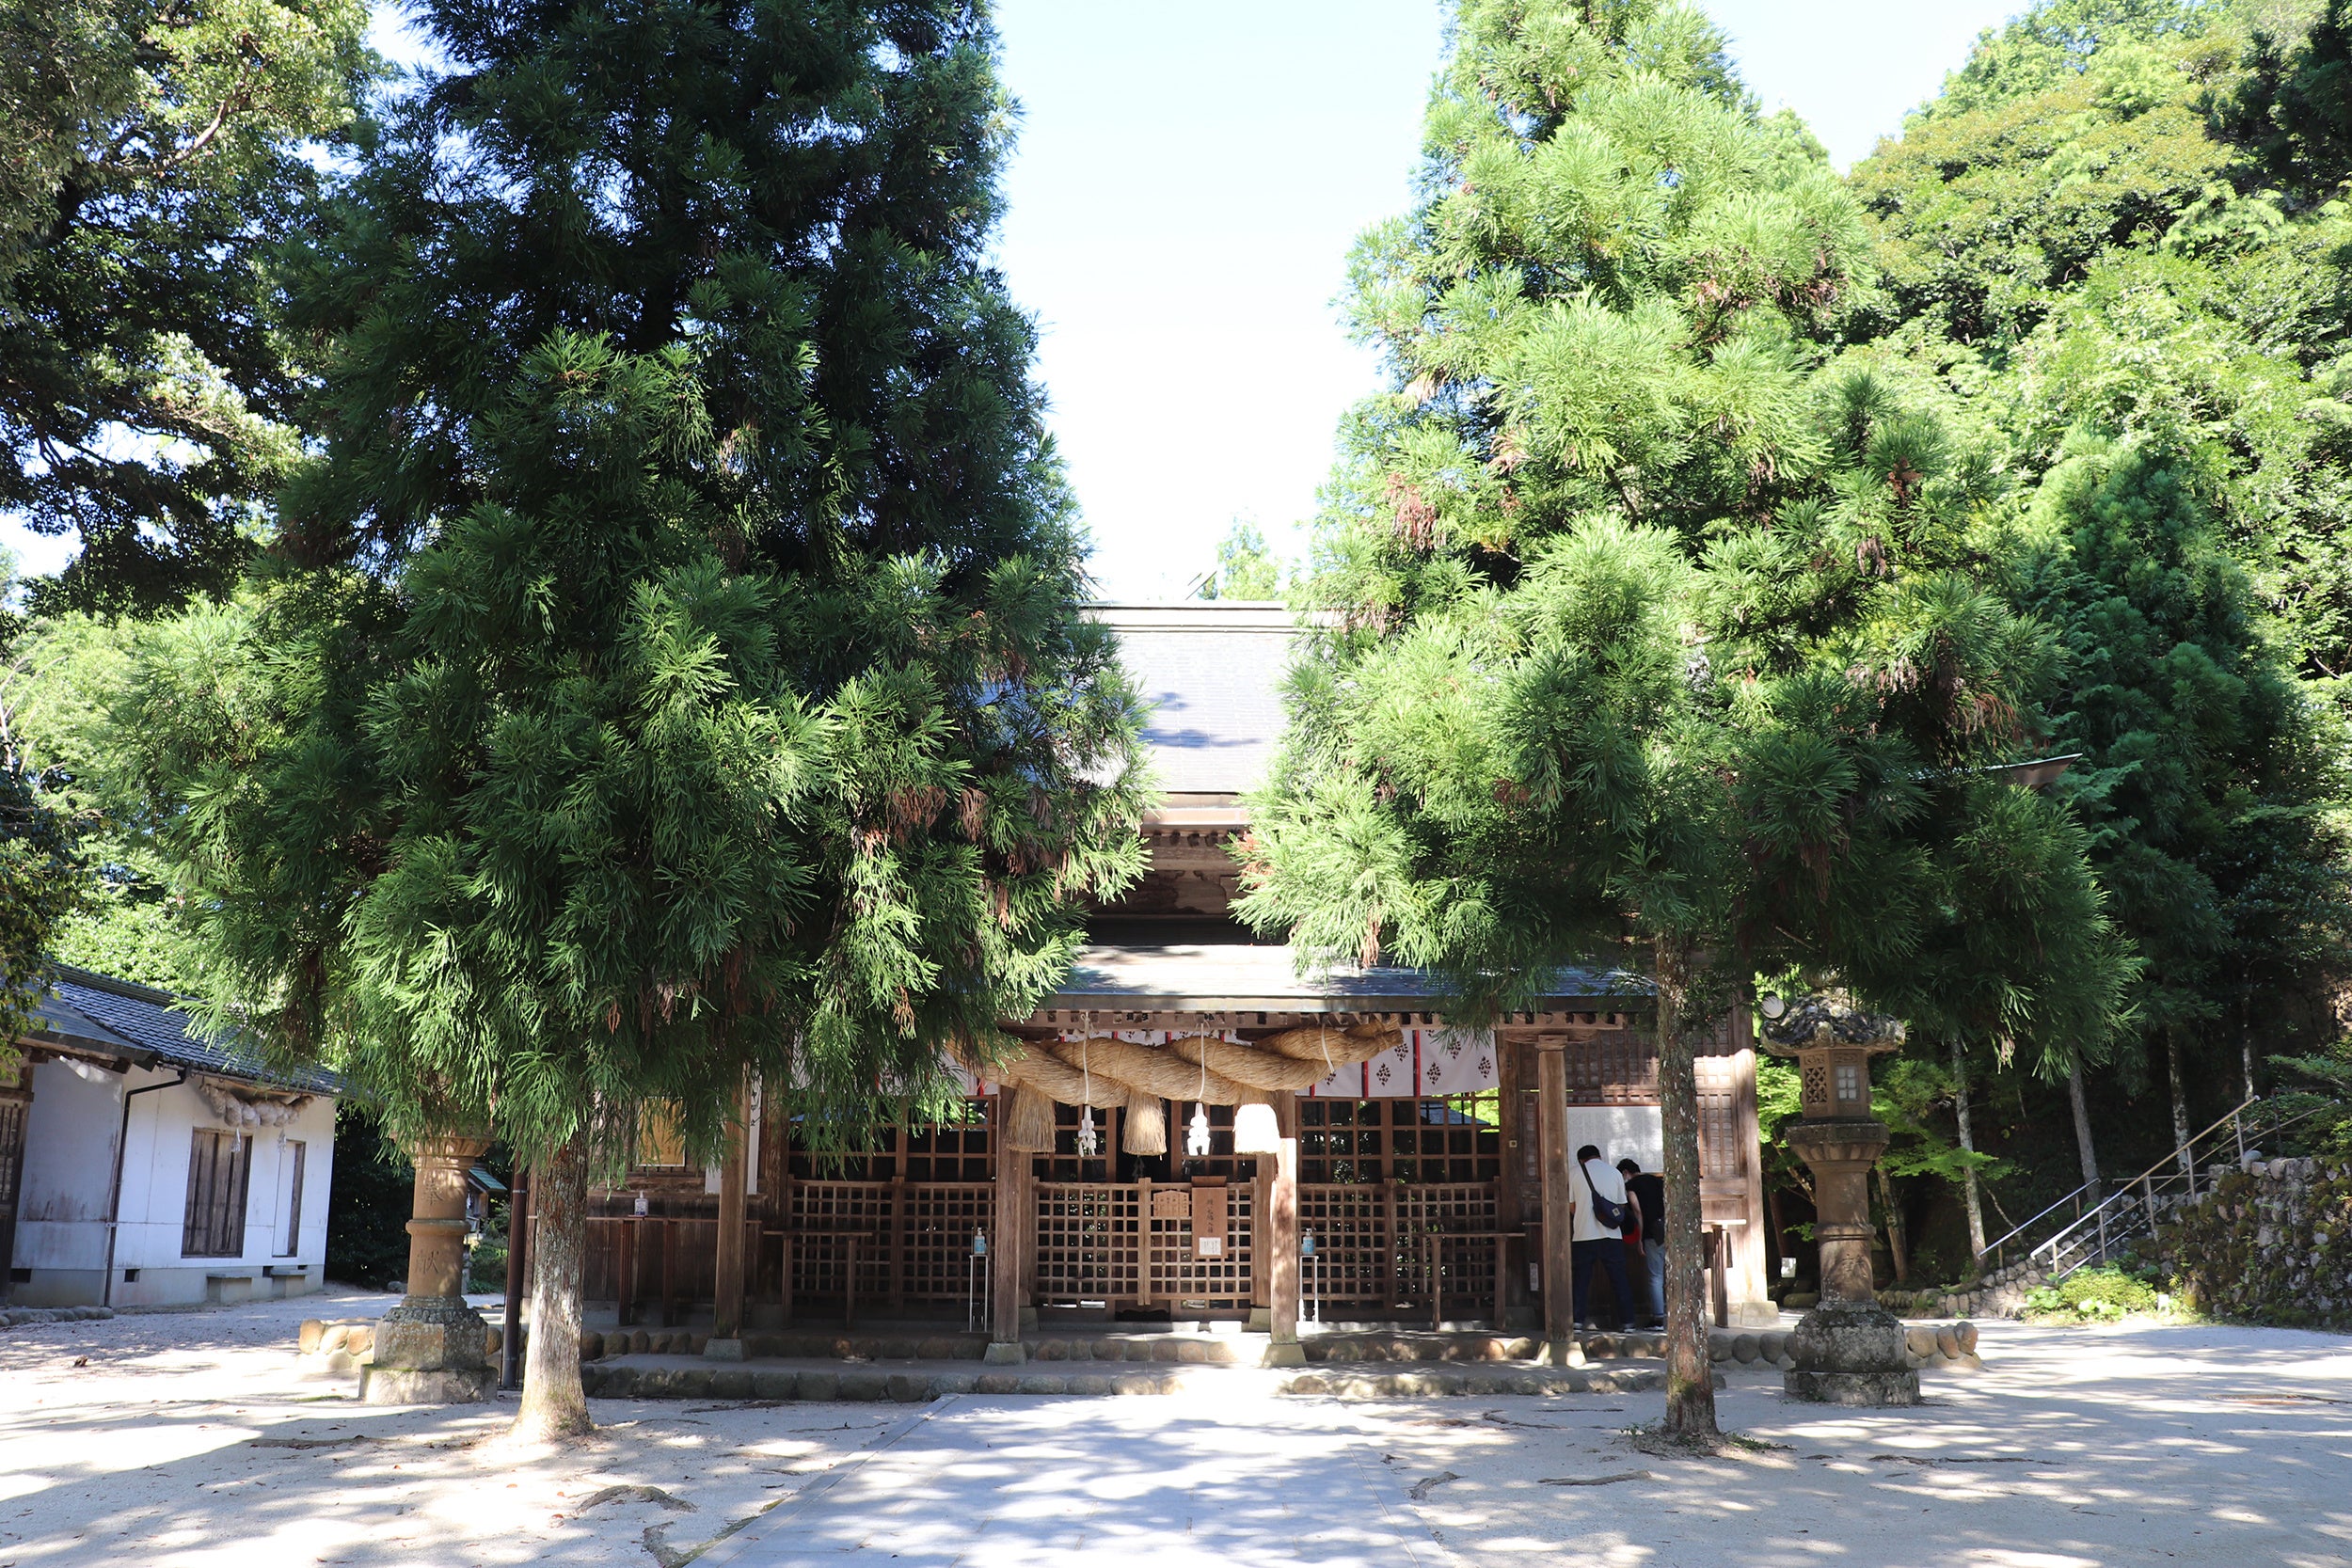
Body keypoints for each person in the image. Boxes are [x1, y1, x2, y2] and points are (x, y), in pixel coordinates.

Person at [1570, 1143, 1636, 1332]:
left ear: (1581, 1160)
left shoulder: (1575, 1173)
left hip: (1583, 1235)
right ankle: (1627, 1322)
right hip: (1612, 1235)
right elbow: (1621, 1207)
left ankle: (1577, 1321)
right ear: (1599, 1156)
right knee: (1619, 1279)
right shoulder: (1615, 1173)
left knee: (1581, 1280)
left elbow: (1572, 1207)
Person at [1618, 1157, 1666, 1329]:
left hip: (1652, 1232)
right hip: (1668, 1229)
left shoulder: (1631, 1186)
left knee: (1655, 1276)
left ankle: (1658, 1319)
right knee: (1668, 1274)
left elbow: (1637, 1210)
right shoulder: (1657, 1181)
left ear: (1625, 1173)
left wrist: (1639, 1239)